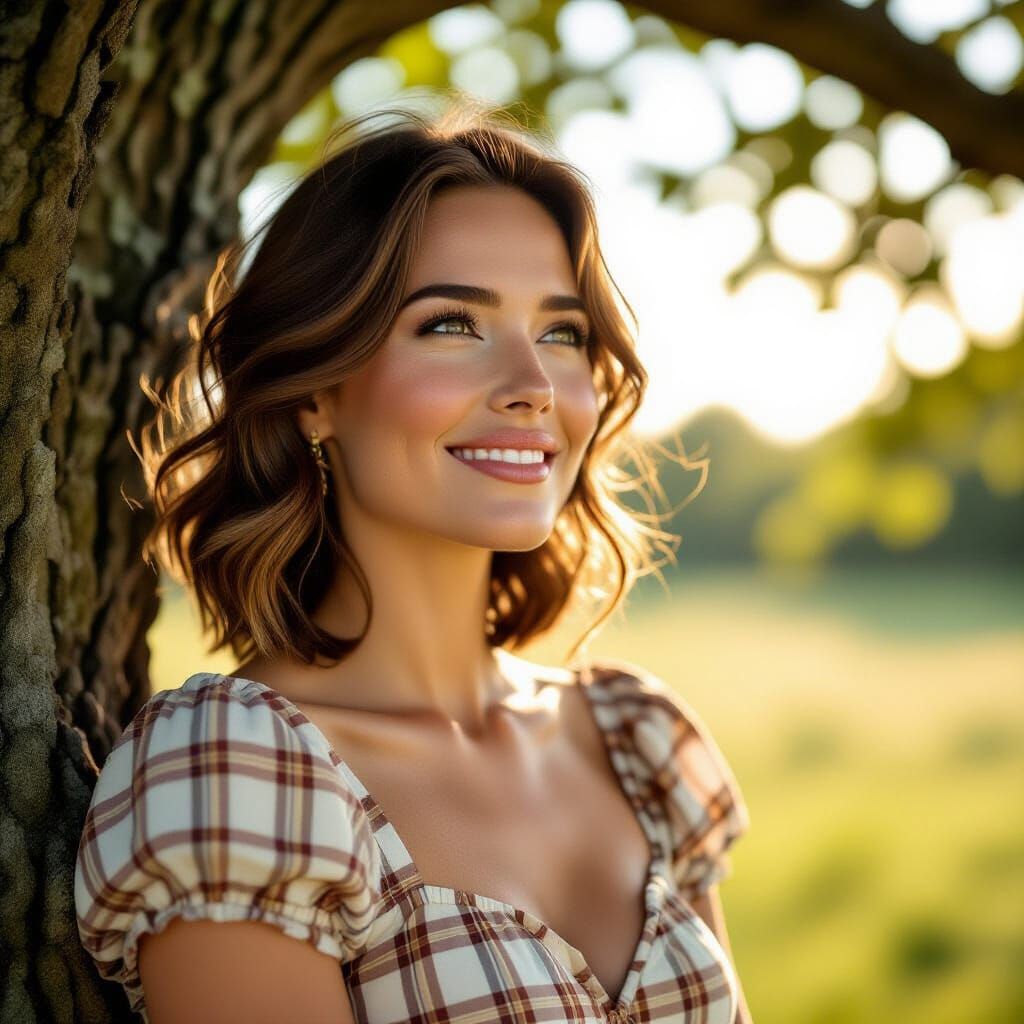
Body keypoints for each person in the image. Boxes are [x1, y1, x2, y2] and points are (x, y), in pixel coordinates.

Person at [74, 100, 752, 1024]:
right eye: (450, 325)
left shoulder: (635, 740)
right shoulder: (238, 771)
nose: (530, 388)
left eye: (563, 333)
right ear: (316, 390)